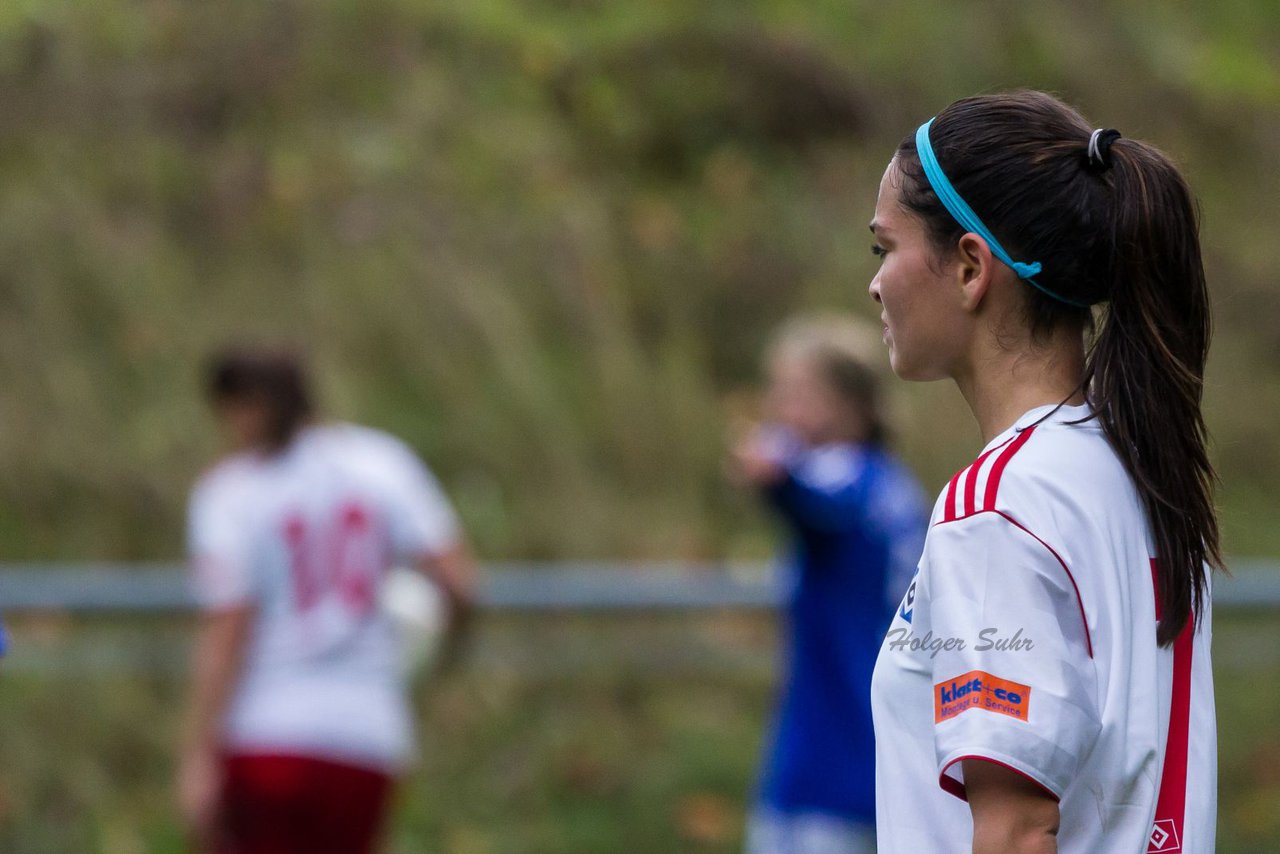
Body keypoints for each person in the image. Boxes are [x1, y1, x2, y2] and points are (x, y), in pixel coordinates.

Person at [867, 91, 1219, 853]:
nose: (875, 285)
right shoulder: (1136, 475)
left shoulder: (999, 505)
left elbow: (1020, 829)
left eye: (883, 250)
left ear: (969, 267)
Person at [176, 346, 477, 853]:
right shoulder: (382, 463)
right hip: (366, 738)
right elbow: (460, 583)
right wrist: (446, 656)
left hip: (266, 733)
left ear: (246, 406)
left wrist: (198, 751)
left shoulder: (231, 491)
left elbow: (228, 628)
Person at [729, 315, 928, 854]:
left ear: (851, 404)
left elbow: (812, 498)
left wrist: (778, 477)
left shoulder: (842, 473)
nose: (780, 410)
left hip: (829, 763)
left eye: (797, 394)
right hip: (876, 749)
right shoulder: (893, 483)